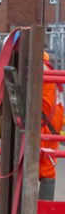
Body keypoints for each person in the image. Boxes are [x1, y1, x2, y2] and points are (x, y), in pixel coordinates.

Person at [40, 52, 63, 201]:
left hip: (45, 123)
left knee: (36, 164)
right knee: (46, 166)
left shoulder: (36, 67)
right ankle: (44, 211)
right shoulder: (46, 67)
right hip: (52, 122)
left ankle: (38, 211)